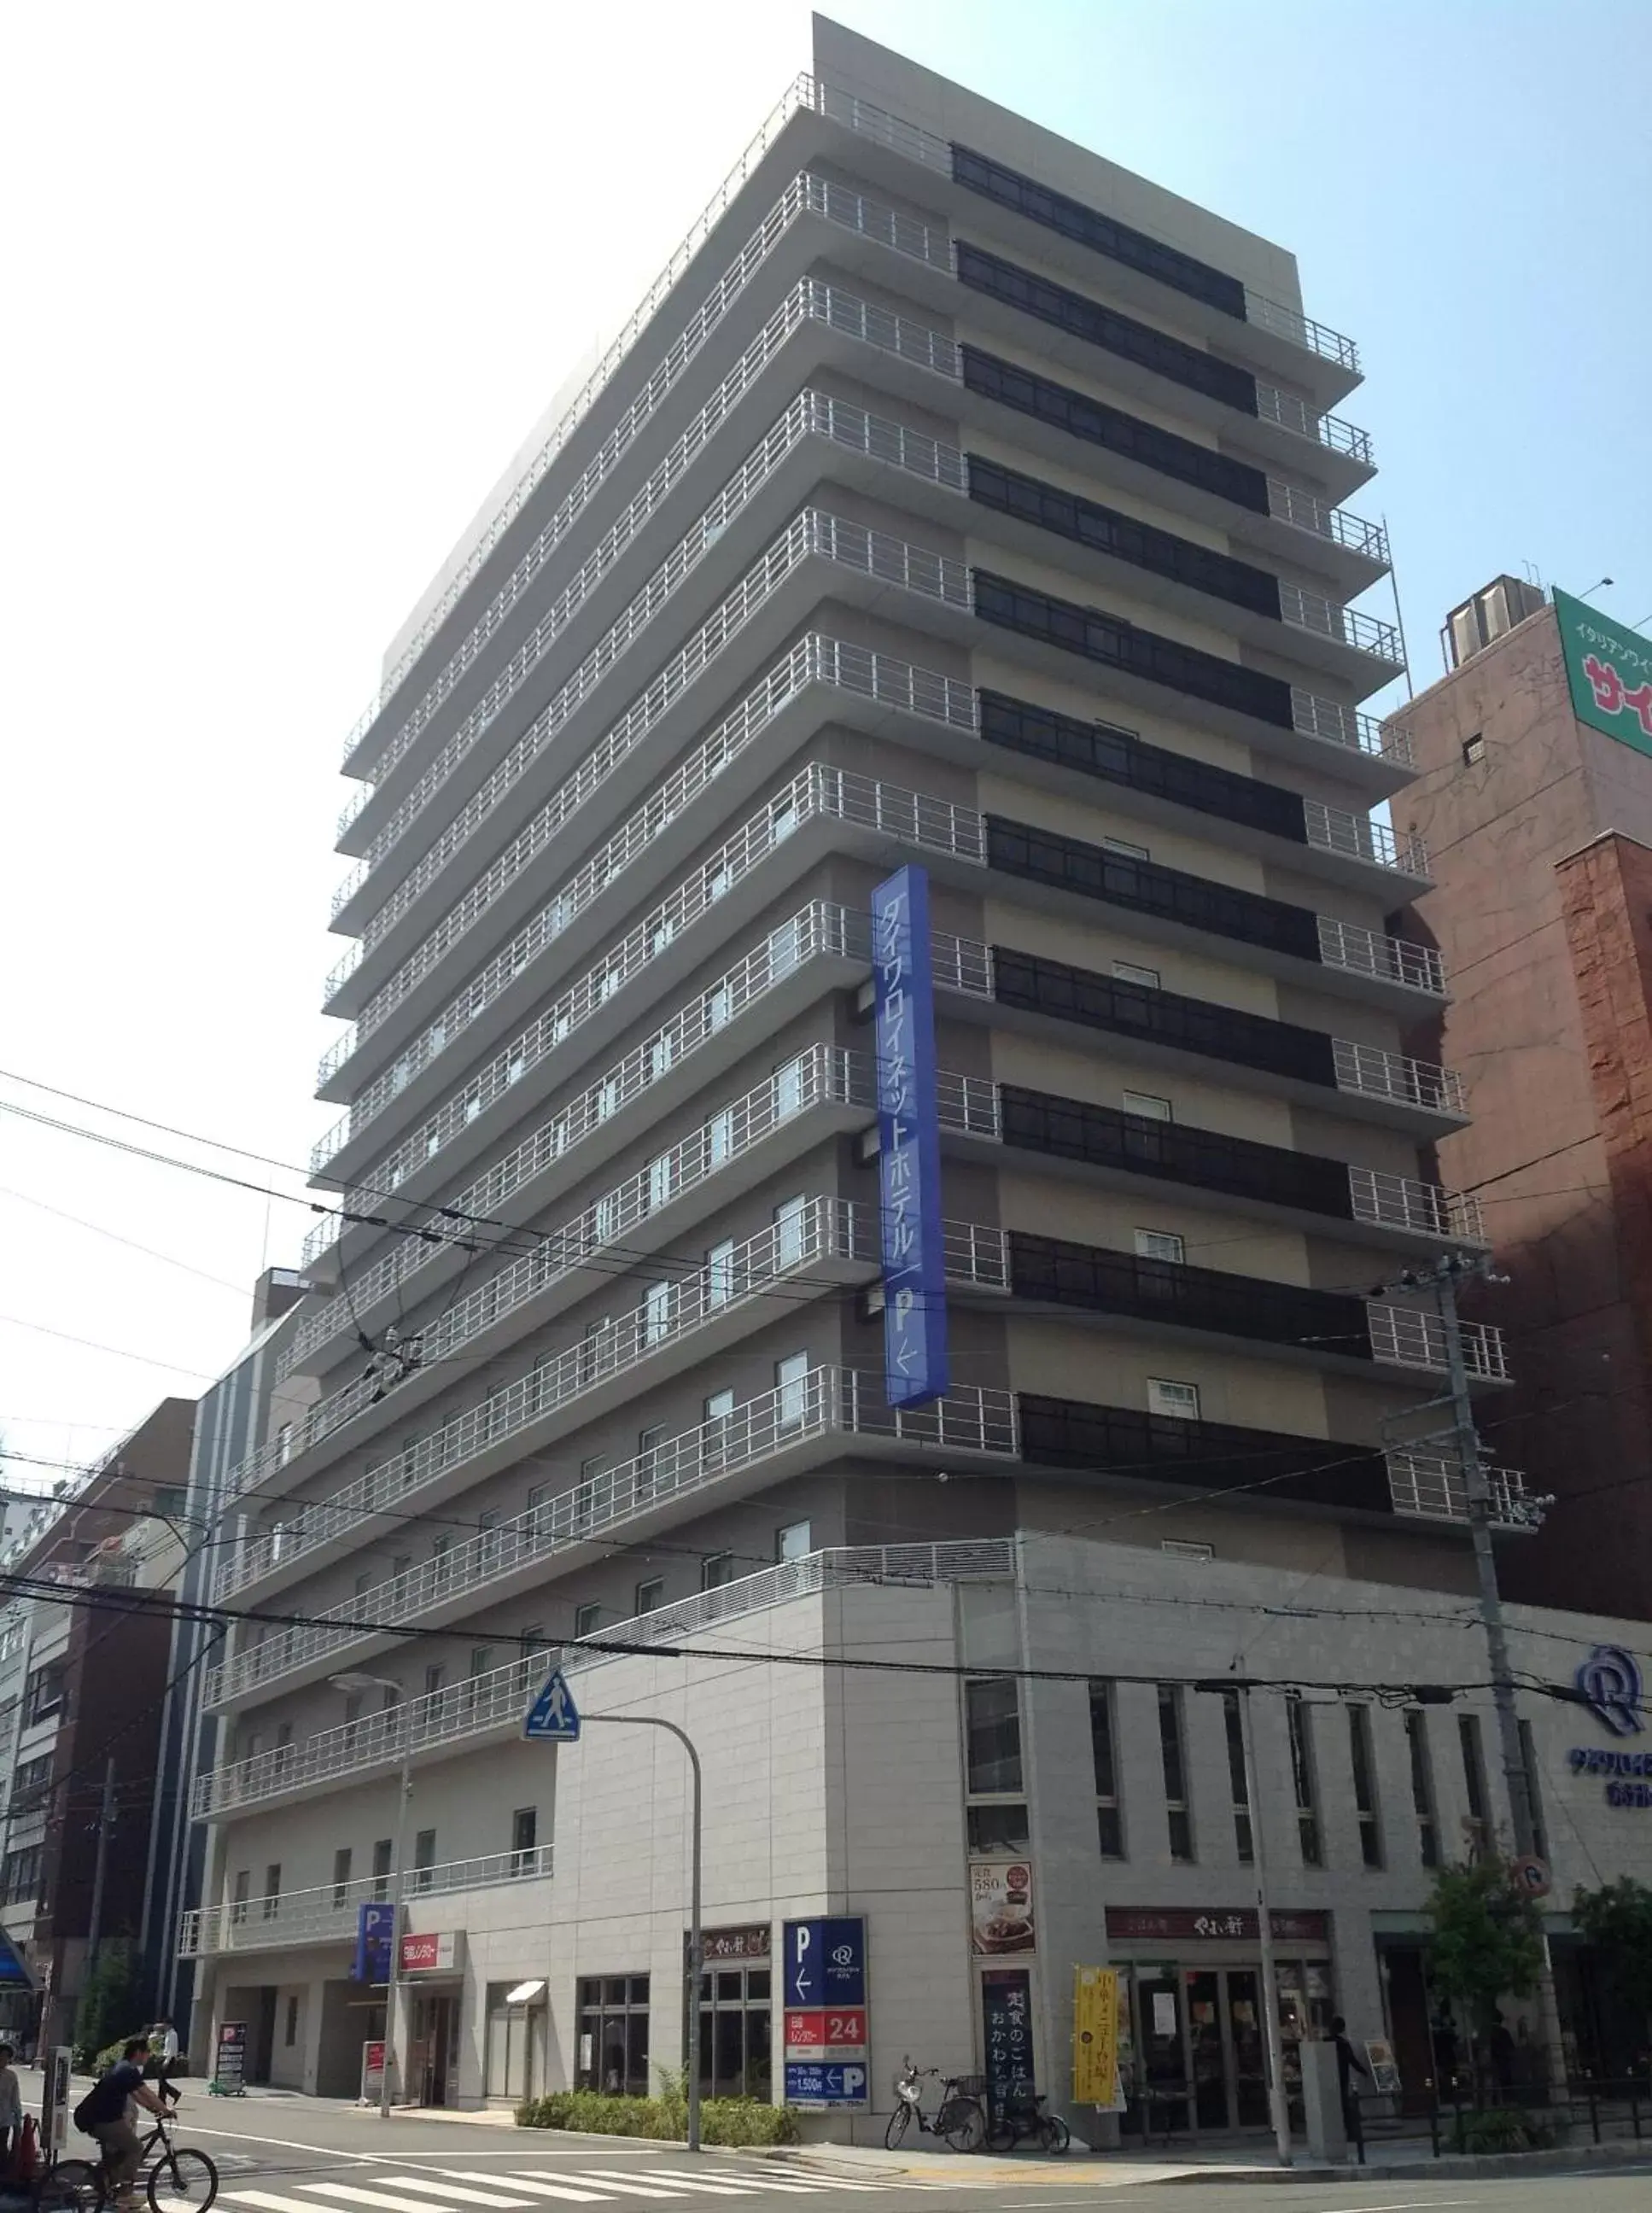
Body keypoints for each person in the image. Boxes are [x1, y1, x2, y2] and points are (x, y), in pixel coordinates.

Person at [81, 2037, 169, 2212]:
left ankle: (97, 2179)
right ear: (138, 2053)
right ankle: (126, 2193)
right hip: (103, 2120)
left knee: (120, 2151)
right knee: (136, 2148)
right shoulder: (129, 2070)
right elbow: (147, 2093)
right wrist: (166, 2110)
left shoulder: (122, 2067)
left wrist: (152, 2109)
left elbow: (137, 2095)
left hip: (95, 2117)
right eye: (146, 2053)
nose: (148, 2057)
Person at [1330, 2016, 1369, 2148]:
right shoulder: (1342, 2044)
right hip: (1341, 2077)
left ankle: (1339, 2132)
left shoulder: (1327, 2042)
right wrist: (1363, 2071)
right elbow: (1352, 2060)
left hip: (1330, 2078)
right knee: (1346, 2106)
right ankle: (1350, 2132)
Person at [0, 2043, 20, 2173]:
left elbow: (15, 2101)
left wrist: (18, 2124)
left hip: (4, 2120)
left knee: (1, 2150)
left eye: (6, 2057)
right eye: (1, 2056)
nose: (3, 2059)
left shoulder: (11, 2076)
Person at [151, 2019, 182, 2107]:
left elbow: (172, 2050)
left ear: (170, 2025)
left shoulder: (173, 2035)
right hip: (165, 2058)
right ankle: (162, 2100)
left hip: (169, 2059)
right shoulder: (168, 2034)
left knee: (161, 2080)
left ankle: (175, 2093)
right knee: (161, 2080)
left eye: (165, 2024)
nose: (164, 2026)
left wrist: (166, 2061)